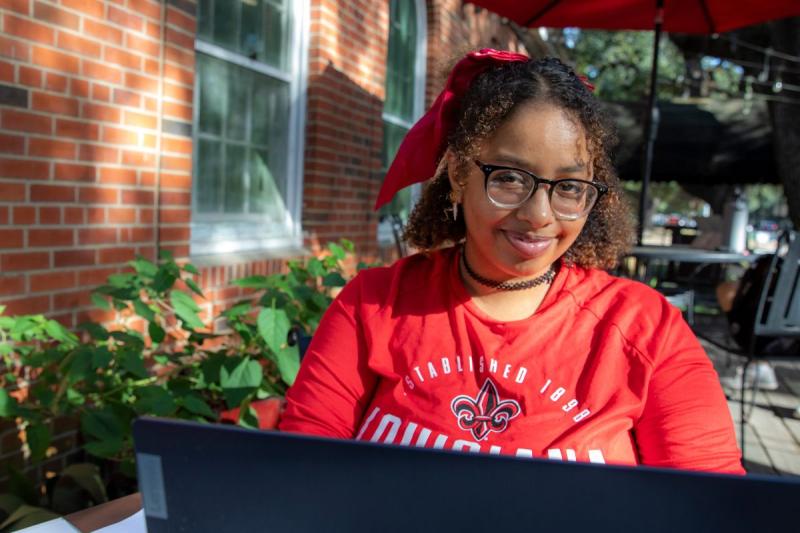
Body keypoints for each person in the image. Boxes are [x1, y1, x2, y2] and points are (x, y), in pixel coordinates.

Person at [279, 49, 744, 475]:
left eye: (568, 187)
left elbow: (709, 505)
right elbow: (302, 472)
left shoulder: (646, 330)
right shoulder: (375, 305)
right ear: (460, 175)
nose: (538, 216)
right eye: (508, 178)